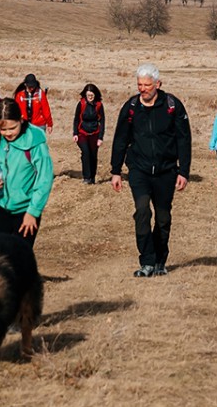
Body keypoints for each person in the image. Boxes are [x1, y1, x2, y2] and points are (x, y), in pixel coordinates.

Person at [109, 65, 192, 277]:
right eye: (139, 85)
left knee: (163, 218)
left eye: (147, 85)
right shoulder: (131, 107)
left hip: (166, 171)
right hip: (139, 170)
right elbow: (120, 139)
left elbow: (184, 140)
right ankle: (146, 260)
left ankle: (160, 261)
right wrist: (116, 170)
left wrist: (184, 171)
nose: (142, 89)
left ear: (158, 84)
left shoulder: (173, 106)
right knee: (142, 211)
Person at [0, 99, 53, 246]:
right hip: (0, 207)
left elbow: (45, 179)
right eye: (3, 129)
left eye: (12, 128)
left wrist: (33, 212)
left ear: (21, 120)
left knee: (19, 259)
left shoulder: (35, 142)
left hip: (26, 210)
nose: (8, 133)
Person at [72, 83, 106, 185]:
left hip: (95, 133)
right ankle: (86, 177)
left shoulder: (99, 105)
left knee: (93, 155)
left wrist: (100, 137)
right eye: (88, 96)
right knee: (86, 153)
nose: (90, 98)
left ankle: (92, 177)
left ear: (95, 95)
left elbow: (102, 121)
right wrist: (75, 133)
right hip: (82, 133)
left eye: (92, 95)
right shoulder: (81, 104)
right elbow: (76, 119)